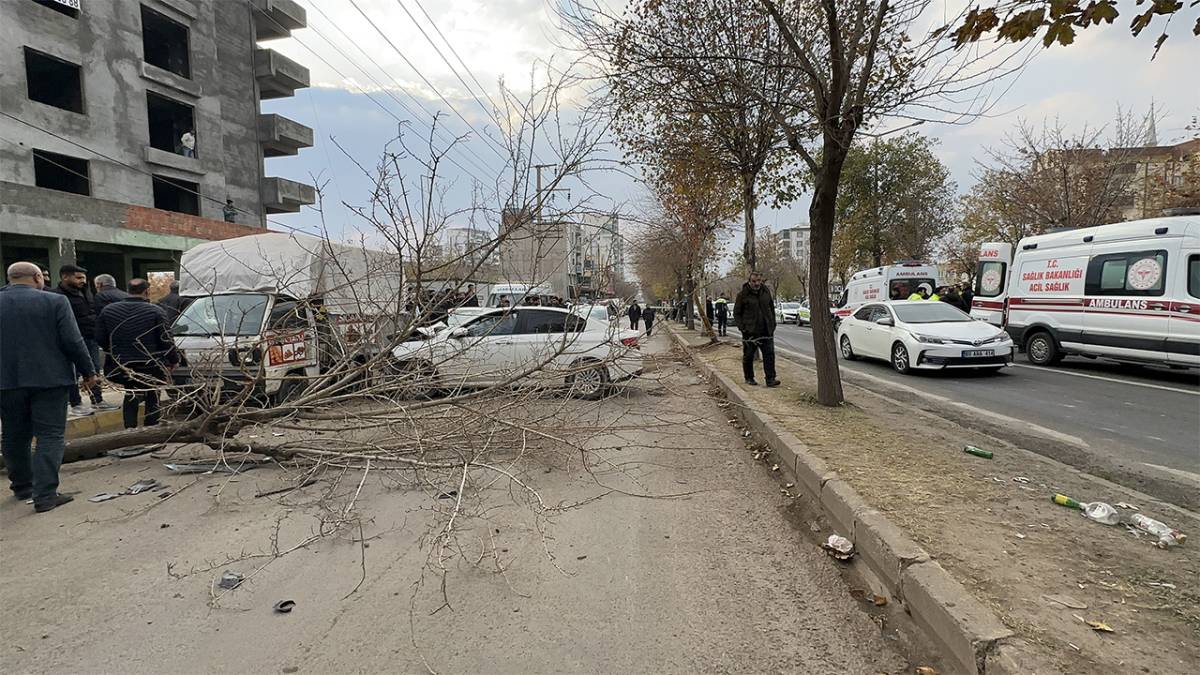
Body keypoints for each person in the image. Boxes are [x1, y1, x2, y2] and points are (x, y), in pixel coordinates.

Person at [1, 262, 97, 513]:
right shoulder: (54, 302)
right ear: (36, 277)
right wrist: (88, 372)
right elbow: (73, 340)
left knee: (13, 434)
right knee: (50, 435)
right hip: (50, 380)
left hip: (6, 382)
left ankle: (22, 486)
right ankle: (45, 495)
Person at [95, 279, 179, 430]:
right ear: (146, 291)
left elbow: (100, 338)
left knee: (131, 393)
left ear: (128, 290)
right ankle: (151, 430)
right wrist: (173, 360)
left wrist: (115, 351)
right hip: (150, 363)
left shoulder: (108, 310)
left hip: (122, 363)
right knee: (152, 395)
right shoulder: (156, 311)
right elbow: (166, 339)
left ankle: (130, 430)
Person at [52, 264, 115, 415]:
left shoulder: (86, 293)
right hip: (70, 340)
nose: (83, 281)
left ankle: (97, 400)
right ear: (65, 277)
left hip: (90, 338)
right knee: (73, 373)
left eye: (84, 278)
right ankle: (76, 403)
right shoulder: (58, 296)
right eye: (78, 277)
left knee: (93, 369)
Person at [734, 272, 779, 387]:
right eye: (754, 281)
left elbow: (771, 309)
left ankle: (770, 379)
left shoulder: (766, 292)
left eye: (759, 281)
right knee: (748, 355)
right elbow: (737, 313)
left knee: (769, 355)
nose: (756, 283)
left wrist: (772, 324)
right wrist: (742, 328)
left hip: (766, 331)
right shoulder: (742, 295)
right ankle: (749, 377)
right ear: (749, 281)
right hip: (750, 332)